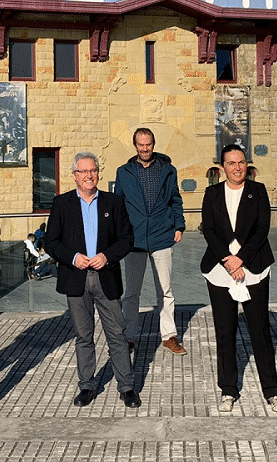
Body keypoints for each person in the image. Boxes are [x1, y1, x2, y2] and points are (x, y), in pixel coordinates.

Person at [45, 152, 140, 409]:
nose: (89, 176)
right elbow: (51, 242)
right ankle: (87, 386)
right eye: (83, 171)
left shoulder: (114, 202)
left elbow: (127, 239)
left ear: (98, 173)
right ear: (74, 175)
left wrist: (107, 256)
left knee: (117, 334)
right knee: (83, 336)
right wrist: (73, 257)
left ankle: (127, 387)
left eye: (93, 171)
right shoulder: (62, 203)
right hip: (76, 278)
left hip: (106, 276)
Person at [201, 144, 277, 413]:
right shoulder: (212, 193)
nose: (237, 168)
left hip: (254, 267)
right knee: (225, 331)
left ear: (246, 165)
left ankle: (271, 390)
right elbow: (209, 230)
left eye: (241, 162)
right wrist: (228, 259)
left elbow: (262, 229)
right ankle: (228, 389)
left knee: (260, 331)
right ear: (222, 167)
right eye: (231, 163)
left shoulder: (257, 191)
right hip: (220, 270)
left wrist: (241, 259)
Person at [114, 128, 187, 354]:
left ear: (153, 144)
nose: (145, 149)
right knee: (131, 292)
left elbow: (175, 200)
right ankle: (128, 337)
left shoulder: (167, 170)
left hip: (161, 235)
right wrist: (118, 232)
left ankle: (169, 336)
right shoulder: (124, 172)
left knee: (165, 290)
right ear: (135, 145)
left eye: (148, 144)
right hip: (134, 239)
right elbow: (118, 205)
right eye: (141, 145)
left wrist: (179, 225)